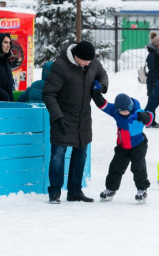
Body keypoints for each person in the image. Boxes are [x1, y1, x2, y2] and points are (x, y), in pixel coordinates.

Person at [42, 40, 108, 204]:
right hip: (63, 117)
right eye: (85, 60)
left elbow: (103, 74)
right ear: (75, 56)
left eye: (90, 61)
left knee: (81, 154)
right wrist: (58, 117)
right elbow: (49, 94)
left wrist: (101, 86)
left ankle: (75, 191)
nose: (87, 64)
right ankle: (55, 192)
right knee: (58, 155)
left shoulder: (92, 63)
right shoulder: (61, 66)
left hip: (83, 118)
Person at [91, 91, 153, 203]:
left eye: (125, 111)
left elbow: (149, 119)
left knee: (138, 167)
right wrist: (95, 93)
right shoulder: (116, 111)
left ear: (130, 107)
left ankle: (142, 190)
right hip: (122, 146)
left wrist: (141, 116)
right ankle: (110, 189)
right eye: (121, 111)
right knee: (115, 167)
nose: (123, 113)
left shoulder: (137, 112)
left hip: (138, 145)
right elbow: (103, 105)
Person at [146, 32, 159, 128]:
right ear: (156, 44)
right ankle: (148, 120)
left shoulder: (158, 53)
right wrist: (156, 81)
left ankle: (150, 120)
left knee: (153, 100)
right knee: (152, 101)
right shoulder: (152, 55)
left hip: (157, 80)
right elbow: (152, 69)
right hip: (153, 81)